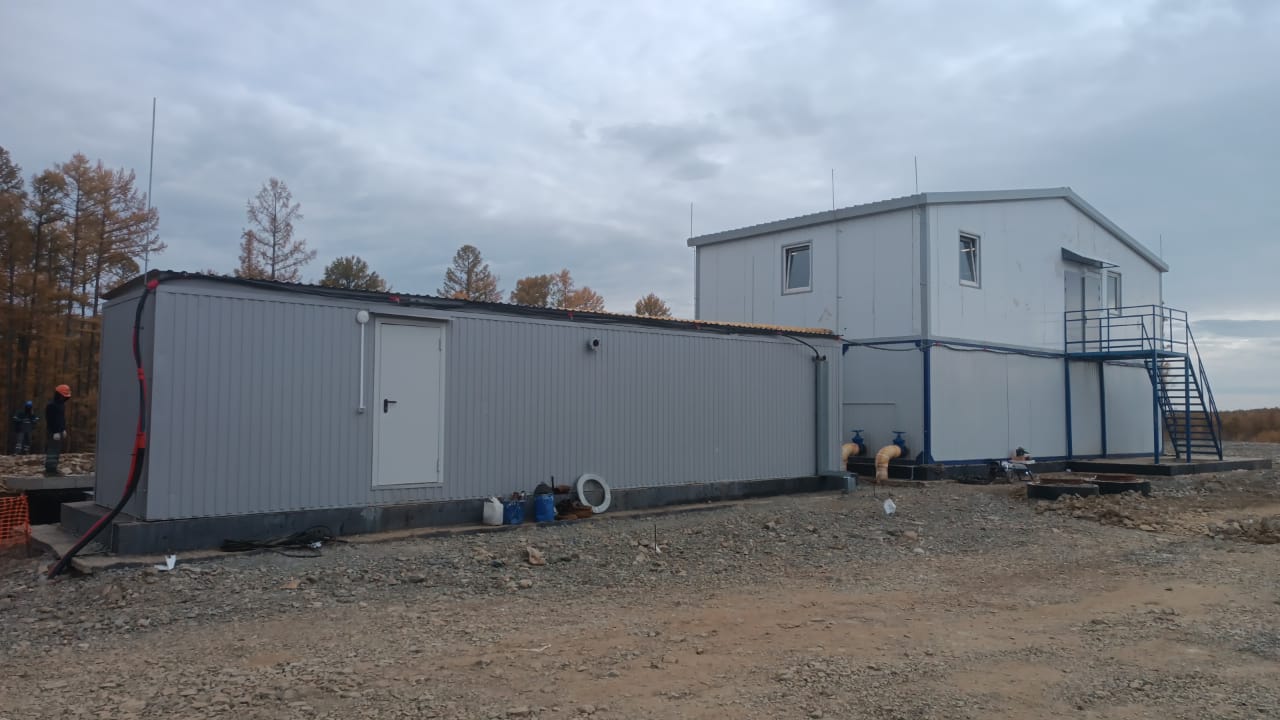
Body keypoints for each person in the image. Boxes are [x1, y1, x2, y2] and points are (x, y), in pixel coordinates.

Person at [44, 384, 71, 477]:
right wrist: (54, 432)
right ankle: (50, 470)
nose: (64, 398)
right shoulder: (51, 405)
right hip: (53, 432)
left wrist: (63, 429)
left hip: (59, 431)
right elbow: (50, 420)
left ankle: (53, 468)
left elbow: (61, 419)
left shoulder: (61, 405)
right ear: (58, 395)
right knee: (52, 450)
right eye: (63, 396)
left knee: (56, 450)